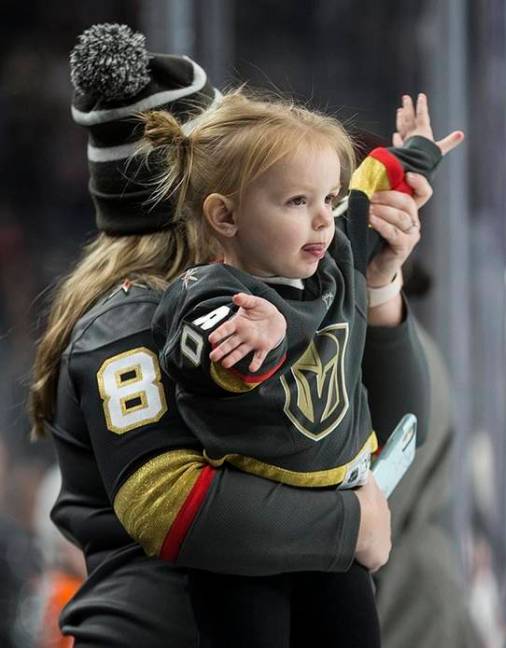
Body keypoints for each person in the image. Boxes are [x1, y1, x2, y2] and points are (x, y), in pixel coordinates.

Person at [30, 24, 437, 647]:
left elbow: (394, 430)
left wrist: (378, 287)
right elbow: (170, 503)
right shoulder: (134, 321)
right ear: (217, 203)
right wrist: (348, 523)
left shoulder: (279, 289)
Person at [142, 86, 460, 647]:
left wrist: (412, 156)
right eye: (296, 202)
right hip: (249, 555)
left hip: (339, 533)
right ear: (225, 215)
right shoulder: (210, 291)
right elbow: (198, 349)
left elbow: (371, 194)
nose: (322, 220)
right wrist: (255, 338)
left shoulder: (336, 262)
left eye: (328, 199)